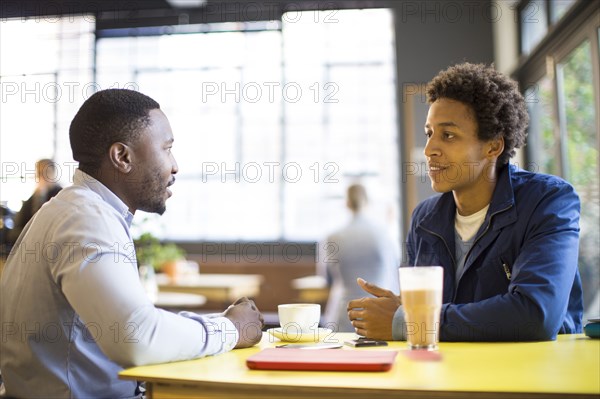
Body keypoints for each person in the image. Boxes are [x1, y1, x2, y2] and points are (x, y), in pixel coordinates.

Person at [0, 89, 264, 398]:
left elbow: (134, 322)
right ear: (122, 157)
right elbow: (137, 337)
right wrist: (230, 330)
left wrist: (220, 323)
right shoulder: (86, 219)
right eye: (166, 149)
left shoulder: (76, 209)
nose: (175, 165)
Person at [348, 63, 583, 342]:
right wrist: (401, 310)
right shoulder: (424, 219)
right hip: (449, 376)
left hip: (535, 376)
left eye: (448, 135)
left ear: (493, 146)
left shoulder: (548, 201)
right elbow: (434, 317)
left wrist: (410, 321)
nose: (429, 150)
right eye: (429, 133)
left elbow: (535, 315)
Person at [321, 184, 399, 332]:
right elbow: (395, 271)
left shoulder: (333, 237)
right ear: (367, 201)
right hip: (379, 312)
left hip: (343, 314)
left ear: (347, 203)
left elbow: (327, 279)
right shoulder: (384, 234)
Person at [7, 158, 63, 244]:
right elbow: (15, 232)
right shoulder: (33, 199)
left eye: (47, 173)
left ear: (54, 174)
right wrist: (40, 197)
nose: (43, 177)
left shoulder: (62, 196)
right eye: (40, 173)